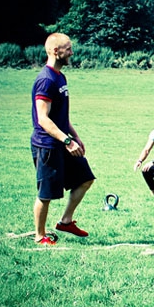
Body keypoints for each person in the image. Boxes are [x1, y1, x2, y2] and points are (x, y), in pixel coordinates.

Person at [30, 33, 95, 245]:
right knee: (46, 193)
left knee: (85, 178)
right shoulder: (46, 80)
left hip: (63, 142)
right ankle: (40, 237)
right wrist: (67, 141)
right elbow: (43, 119)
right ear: (56, 51)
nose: (72, 52)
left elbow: (60, 116)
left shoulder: (60, 77)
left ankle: (65, 221)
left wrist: (75, 136)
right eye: (68, 48)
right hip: (47, 145)